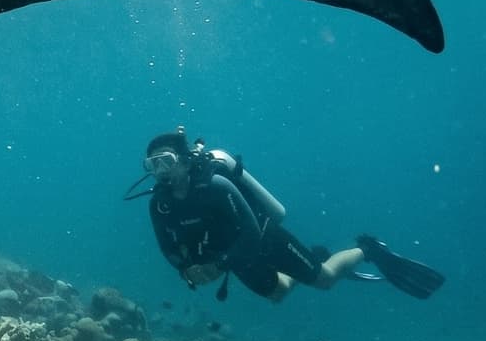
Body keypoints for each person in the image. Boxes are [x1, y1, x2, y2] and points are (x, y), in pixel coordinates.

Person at [136, 129, 443, 301]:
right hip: (232, 257)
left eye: (166, 161)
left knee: (324, 280)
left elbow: (252, 232)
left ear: (186, 161)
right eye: (153, 165)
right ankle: (317, 257)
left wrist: (219, 266)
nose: (160, 172)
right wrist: (187, 269)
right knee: (279, 293)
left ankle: (367, 249)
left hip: (265, 239)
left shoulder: (215, 185)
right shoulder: (159, 205)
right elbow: (168, 247)